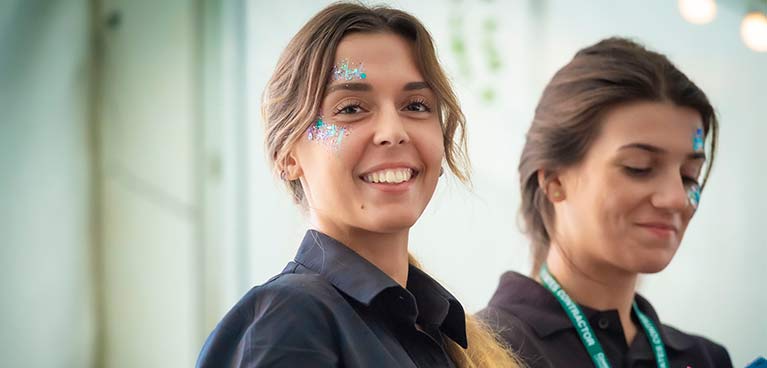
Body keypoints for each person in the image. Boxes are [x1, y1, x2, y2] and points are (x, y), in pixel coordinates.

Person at [197, 3, 520, 367]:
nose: (394, 132)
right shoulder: (290, 321)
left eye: (415, 105)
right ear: (288, 155)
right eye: (351, 108)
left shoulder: (437, 331)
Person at [479, 37, 732, 368]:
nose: (676, 199)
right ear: (555, 181)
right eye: (638, 168)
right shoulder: (485, 353)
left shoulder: (706, 359)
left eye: (689, 175)